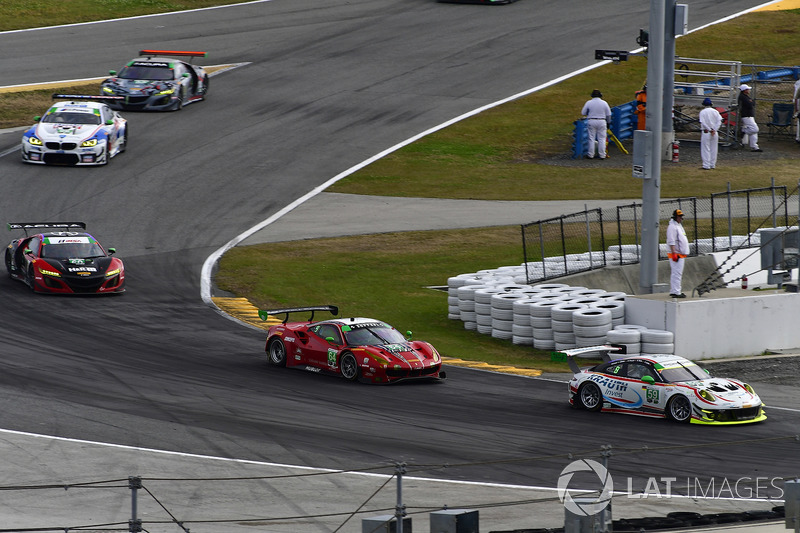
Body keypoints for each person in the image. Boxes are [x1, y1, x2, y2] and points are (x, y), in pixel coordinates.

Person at [581, 89, 612, 159]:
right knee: (602, 139)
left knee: (591, 138)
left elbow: (583, 112)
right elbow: (608, 114)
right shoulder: (604, 103)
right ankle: (602, 155)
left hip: (591, 120)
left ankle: (590, 154)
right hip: (602, 121)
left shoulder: (589, 103)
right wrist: (608, 123)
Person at [666, 209, 689, 298]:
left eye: (681, 217)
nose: (681, 218)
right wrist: (674, 253)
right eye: (679, 217)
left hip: (679, 253)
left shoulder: (677, 226)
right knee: (677, 273)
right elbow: (671, 241)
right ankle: (676, 292)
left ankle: (674, 290)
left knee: (676, 272)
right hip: (676, 254)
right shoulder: (672, 227)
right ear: (675, 217)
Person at [698, 97, 723, 170]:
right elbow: (719, 121)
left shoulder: (702, 112)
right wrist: (714, 129)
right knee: (714, 149)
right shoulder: (715, 111)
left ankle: (706, 165)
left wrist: (710, 130)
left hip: (706, 132)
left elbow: (703, 122)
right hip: (715, 132)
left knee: (706, 149)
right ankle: (712, 164)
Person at [737, 84, 762, 152]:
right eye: (747, 89)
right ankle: (743, 131)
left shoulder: (745, 97)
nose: (749, 90)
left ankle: (754, 146)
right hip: (747, 115)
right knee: (754, 129)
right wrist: (751, 102)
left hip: (749, 115)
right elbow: (750, 105)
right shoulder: (743, 97)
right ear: (744, 90)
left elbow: (752, 103)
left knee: (753, 132)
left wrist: (751, 102)